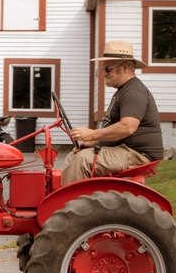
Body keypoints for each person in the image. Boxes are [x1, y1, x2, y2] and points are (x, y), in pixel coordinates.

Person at [61, 40, 163, 185]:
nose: (104, 74)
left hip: (138, 154)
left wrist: (92, 134)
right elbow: (117, 131)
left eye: (107, 69)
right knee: (75, 155)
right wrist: (93, 141)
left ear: (125, 67)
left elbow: (127, 127)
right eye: (103, 69)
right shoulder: (124, 90)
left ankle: (65, 203)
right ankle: (59, 194)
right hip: (126, 148)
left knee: (84, 159)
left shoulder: (133, 92)